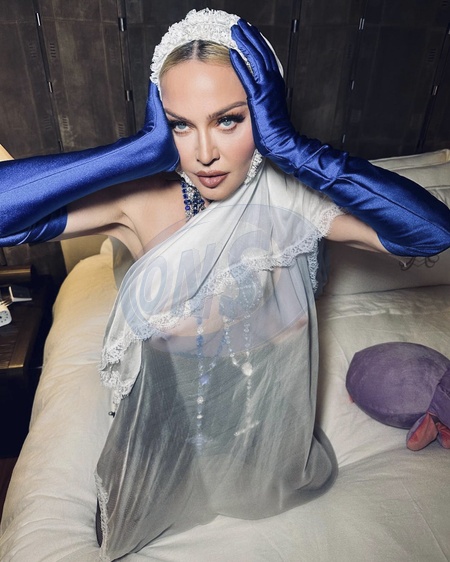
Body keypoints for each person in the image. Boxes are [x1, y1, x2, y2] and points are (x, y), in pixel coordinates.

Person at [1, 8, 449, 560]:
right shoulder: (140, 202)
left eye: (229, 120)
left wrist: (294, 150)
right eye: (179, 125)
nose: (204, 152)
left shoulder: (292, 200)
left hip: (265, 437)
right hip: (167, 435)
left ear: (264, 113)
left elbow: (431, 232)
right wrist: (137, 152)